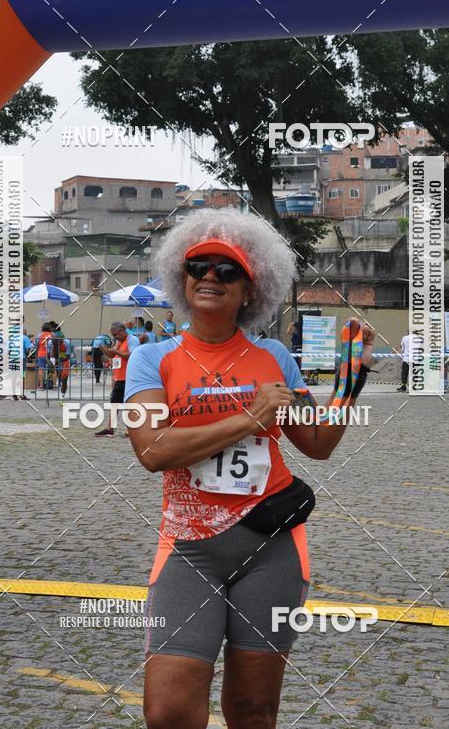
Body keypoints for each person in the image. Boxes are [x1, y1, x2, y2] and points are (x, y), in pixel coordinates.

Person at [124, 208, 374, 729]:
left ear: (249, 290)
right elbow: (152, 451)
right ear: (181, 278)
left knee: (253, 710)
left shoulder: (276, 356)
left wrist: (350, 385)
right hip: (189, 549)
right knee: (167, 712)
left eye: (227, 270)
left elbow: (318, 443)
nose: (210, 277)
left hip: (271, 549)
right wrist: (250, 417)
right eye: (198, 267)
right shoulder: (152, 359)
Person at [95, 322, 139, 437]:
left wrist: (115, 352)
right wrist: (105, 351)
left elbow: (133, 355)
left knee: (129, 404)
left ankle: (131, 429)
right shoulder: (119, 341)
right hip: (119, 377)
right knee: (114, 403)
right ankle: (110, 428)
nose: (114, 337)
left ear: (122, 331)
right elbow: (113, 355)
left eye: (115, 334)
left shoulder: (132, 340)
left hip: (129, 377)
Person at [35, 322, 54, 389]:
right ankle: (54, 385)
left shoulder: (40, 335)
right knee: (52, 369)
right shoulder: (52, 335)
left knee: (41, 369)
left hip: (41, 353)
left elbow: (36, 344)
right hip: (50, 354)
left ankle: (41, 386)